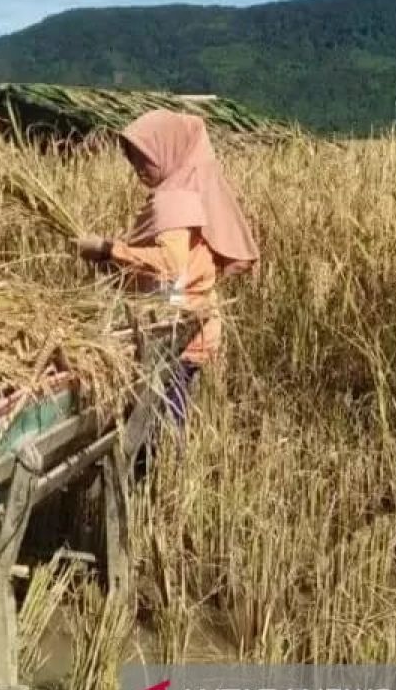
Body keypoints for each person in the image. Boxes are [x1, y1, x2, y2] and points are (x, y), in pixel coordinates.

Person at [76, 109, 259, 465]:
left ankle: (158, 477)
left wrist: (109, 249)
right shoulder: (188, 192)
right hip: (191, 329)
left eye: (145, 157)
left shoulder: (173, 201)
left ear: (168, 151)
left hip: (176, 334)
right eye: (133, 159)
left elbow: (170, 265)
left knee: (159, 422)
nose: (139, 168)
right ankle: (164, 475)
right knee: (170, 411)